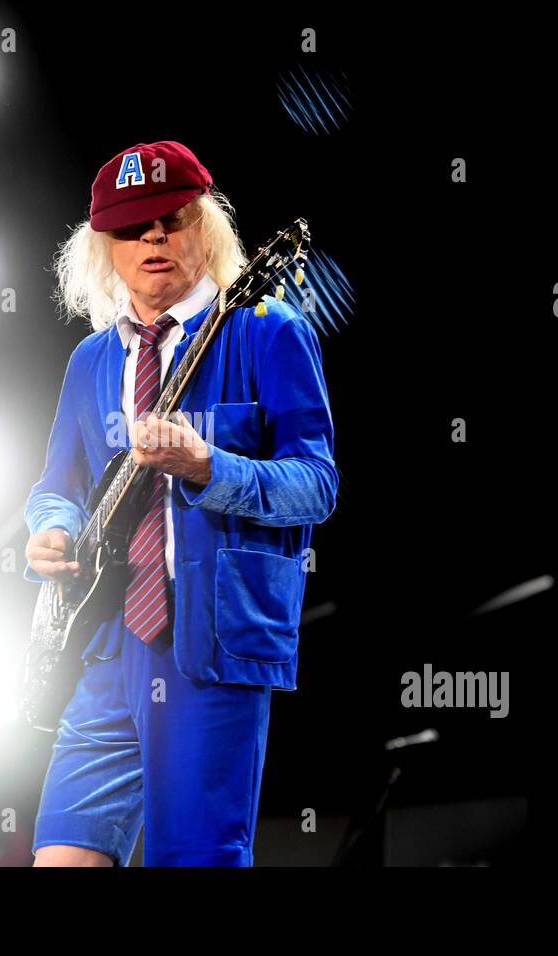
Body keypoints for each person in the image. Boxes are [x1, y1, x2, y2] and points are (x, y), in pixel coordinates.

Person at [23, 140, 338, 866]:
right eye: (133, 229)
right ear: (105, 247)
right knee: (60, 857)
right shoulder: (91, 359)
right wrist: (53, 529)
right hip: (104, 643)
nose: (154, 239)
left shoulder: (269, 330)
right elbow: (56, 488)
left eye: (171, 219)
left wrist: (207, 466)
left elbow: (316, 485)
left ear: (206, 226)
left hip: (209, 644)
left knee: (194, 857)